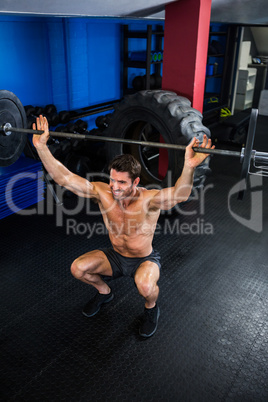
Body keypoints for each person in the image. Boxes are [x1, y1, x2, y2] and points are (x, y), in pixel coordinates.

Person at [33, 115, 214, 338]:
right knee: (77, 268)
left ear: (135, 182)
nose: (114, 187)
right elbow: (65, 179)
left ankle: (151, 309)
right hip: (115, 257)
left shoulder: (150, 200)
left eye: (121, 182)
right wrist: (42, 148)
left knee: (146, 287)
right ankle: (104, 291)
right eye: (112, 180)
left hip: (144, 260)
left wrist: (189, 166)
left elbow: (180, 194)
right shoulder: (103, 192)